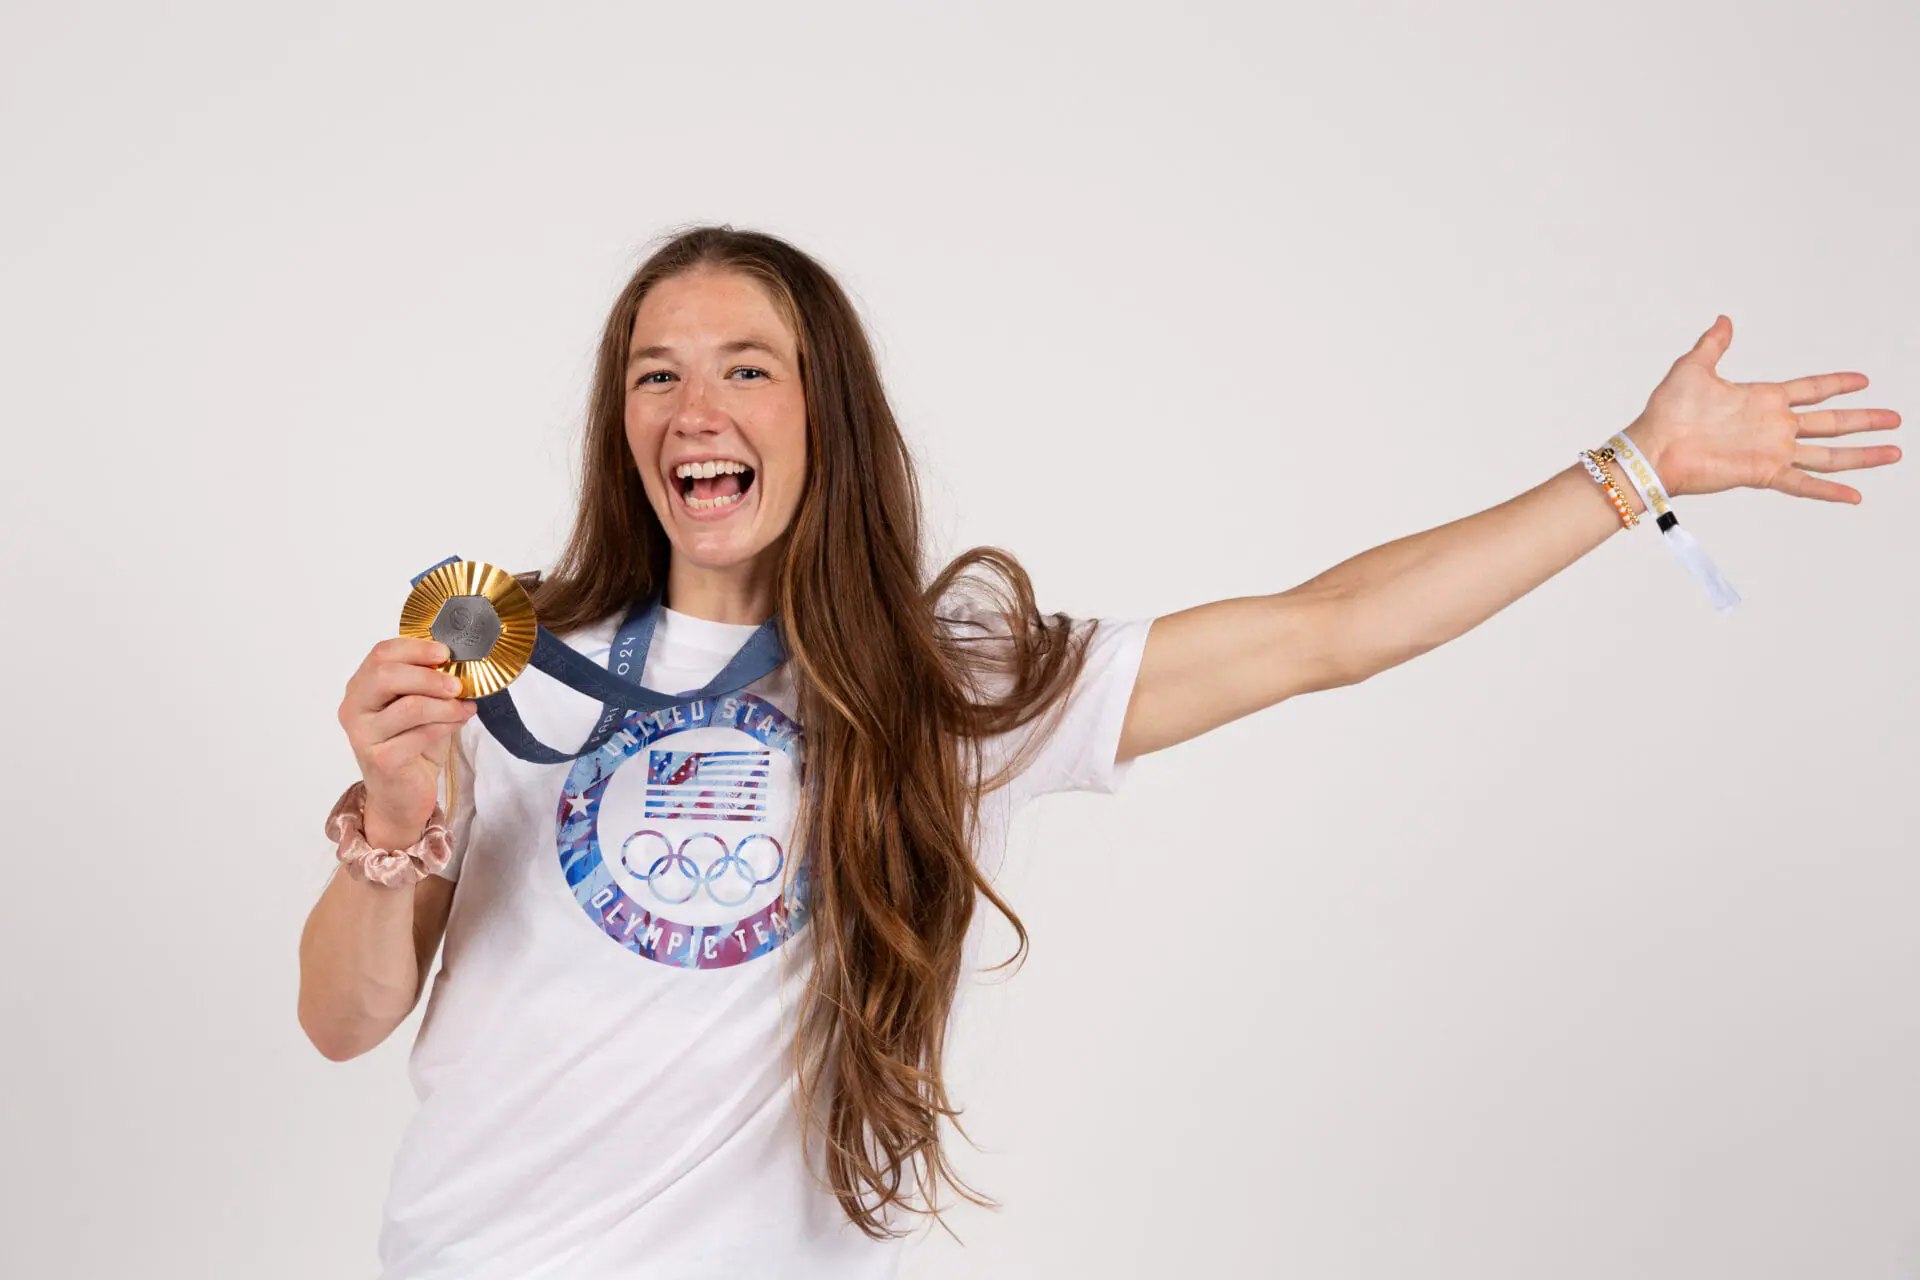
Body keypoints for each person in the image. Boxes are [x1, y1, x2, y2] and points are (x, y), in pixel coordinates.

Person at [297, 225, 1901, 1278]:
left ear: (820, 415)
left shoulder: (939, 691)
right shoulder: (512, 674)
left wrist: (1635, 469)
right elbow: (344, 1017)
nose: (694, 405)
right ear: (621, 423)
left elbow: (1320, 631)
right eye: (656, 372)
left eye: (744, 367)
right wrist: (388, 816)